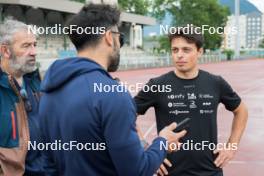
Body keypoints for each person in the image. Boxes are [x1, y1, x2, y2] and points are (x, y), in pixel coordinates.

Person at [38, 3, 186, 176]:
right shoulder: (112, 94)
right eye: (120, 38)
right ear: (109, 37)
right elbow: (137, 170)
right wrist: (162, 142)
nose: (119, 44)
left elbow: (48, 165)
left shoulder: (48, 92)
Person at [134, 26, 248, 176]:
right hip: (170, 172)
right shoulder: (157, 85)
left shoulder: (215, 83)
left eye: (186, 50)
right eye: (175, 50)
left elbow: (241, 111)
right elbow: (126, 114)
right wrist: (147, 150)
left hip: (210, 171)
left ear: (199, 51)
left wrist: (231, 147)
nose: (179, 55)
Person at [0, 19, 48, 175]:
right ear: (6, 51)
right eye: (26, 46)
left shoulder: (35, 81)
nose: (34, 52)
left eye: (34, 45)